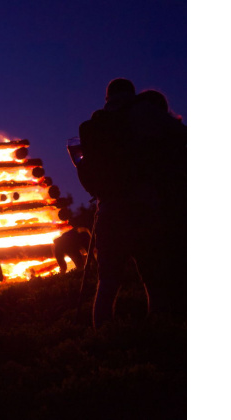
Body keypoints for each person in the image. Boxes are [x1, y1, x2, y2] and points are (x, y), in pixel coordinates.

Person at [76, 78, 186, 329]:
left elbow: (87, 169)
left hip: (108, 208)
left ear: (107, 98)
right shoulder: (144, 113)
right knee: (152, 276)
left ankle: (103, 338)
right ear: (132, 94)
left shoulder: (92, 127)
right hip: (143, 204)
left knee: (107, 282)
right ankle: (160, 332)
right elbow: (182, 136)